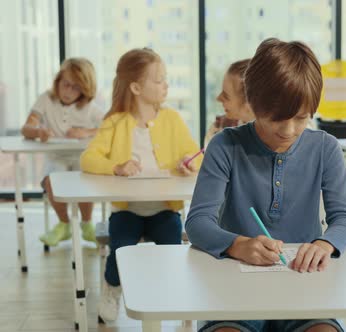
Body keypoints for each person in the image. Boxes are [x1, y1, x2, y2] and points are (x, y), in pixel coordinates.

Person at [186, 38, 346, 332]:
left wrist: (325, 243)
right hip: (236, 289)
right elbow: (198, 222)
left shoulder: (325, 148)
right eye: (277, 118)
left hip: (303, 287)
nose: (289, 130)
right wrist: (237, 245)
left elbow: (345, 220)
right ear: (253, 102)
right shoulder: (225, 145)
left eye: (301, 118)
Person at [80, 48, 203, 322]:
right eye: (159, 80)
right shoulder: (114, 123)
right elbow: (88, 158)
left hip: (164, 210)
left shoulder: (172, 120)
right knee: (119, 252)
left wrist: (189, 162)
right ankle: (112, 289)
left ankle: (176, 296)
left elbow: (197, 155)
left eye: (165, 78)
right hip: (128, 211)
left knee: (172, 250)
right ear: (136, 87)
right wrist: (115, 167)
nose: (166, 85)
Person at [21, 57, 102, 247]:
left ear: (85, 89)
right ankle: (64, 223)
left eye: (76, 88)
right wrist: (38, 131)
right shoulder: (46, 100)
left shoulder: (90, 109)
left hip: (82, 157)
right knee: (51, 180)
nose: (68, 91)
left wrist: (86, 132)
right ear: (58, 81)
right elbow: (26, 128)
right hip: (56, 156)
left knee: (86, 180)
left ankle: (87, 223)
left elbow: (110, 128)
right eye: (65, 84)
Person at [204, 59, 255, 147]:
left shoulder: (279, 139)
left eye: (226, 96)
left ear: (249, 105)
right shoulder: (219, 129)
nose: (218, 98)